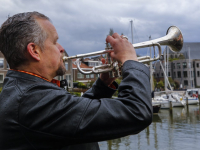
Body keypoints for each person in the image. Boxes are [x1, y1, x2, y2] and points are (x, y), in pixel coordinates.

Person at [0, 12, 152, 150]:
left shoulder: (27, 92)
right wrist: (130, 60)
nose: (61, 48)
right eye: (54, 42)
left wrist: (103, 85)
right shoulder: (33, 101)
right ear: (34, 51)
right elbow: (136, 112)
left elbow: (72, 118)